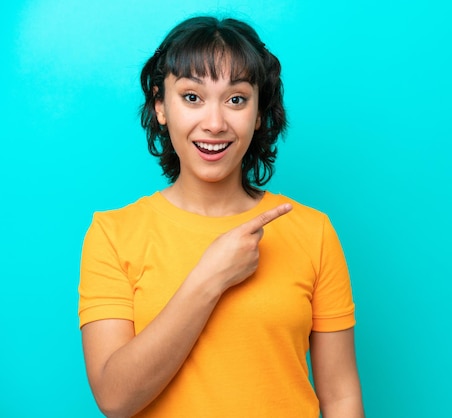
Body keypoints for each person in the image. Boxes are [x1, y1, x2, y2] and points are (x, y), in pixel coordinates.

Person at [78, 15, 364, 418]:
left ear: (260, 112)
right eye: (192, 97)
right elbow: (115, 398)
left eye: (236, 99)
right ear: (161, 106)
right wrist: (211, 276)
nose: (214, 124)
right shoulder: (113, 234)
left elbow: (340, 397)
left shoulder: (312, 231)